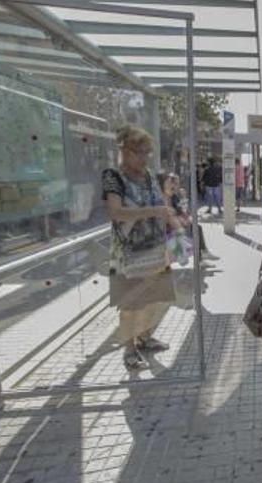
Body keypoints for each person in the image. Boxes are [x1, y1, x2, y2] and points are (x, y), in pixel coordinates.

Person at [102, 125, 174, 371]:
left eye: (148, 152)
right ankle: (129, 349)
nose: (145, 157)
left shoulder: (149, 175)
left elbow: (160, 202)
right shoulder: (114, 176)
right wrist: (153, 211)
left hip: (155, 246)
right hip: (130, 252)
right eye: (140, 152)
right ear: (126, 151)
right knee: (131, 302)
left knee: (156, 298)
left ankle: (145, 336)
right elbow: (116, 212)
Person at [158, 173, 219, 263]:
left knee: (196, 227)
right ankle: (201, 255)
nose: (173, 185)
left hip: (176, 224)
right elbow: (168, 214)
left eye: (174, 183)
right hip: (168, 227)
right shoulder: (162, 197)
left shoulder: (174, 196)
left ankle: (201, 256)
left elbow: (180, 211)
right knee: (195, 229)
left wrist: (186, 215)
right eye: (171, 183)